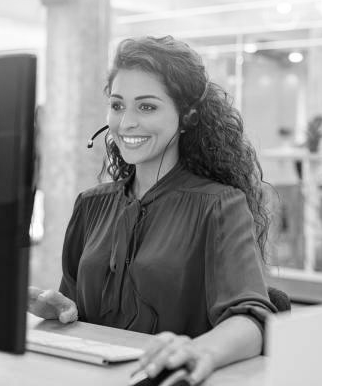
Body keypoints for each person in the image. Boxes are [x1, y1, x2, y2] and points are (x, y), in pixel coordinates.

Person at [28, 36, 276, 384]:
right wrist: (62, 310)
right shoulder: (91, 204)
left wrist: (199, 350)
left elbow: (251, 320)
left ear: (186, 116)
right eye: (117, 105)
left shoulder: (219, 205)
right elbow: (77, 309)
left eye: (146, 107)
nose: (126, 122)